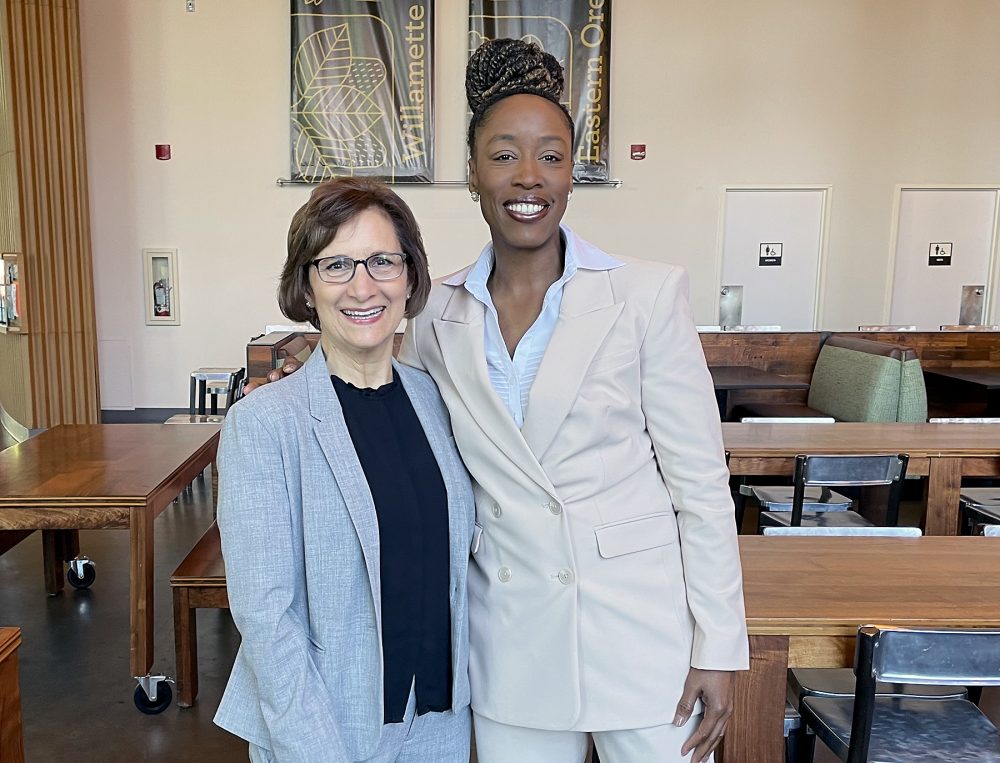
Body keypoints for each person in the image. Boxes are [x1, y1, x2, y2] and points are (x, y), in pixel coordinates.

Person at [256, 38, 748, 763]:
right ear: (472, 172)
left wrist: (719, 645)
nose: (529, 177)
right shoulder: (434, 313)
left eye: (551, 156)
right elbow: (380, 382)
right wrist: (303, 371)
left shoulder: (644, 295)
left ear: (573, 172)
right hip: (513, 643)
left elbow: (700, 486)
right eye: (504, 155)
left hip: (644, 640)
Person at [213, 177, 476, 763]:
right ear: (306, 286)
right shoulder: (265, 422)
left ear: (409, 277)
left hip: (439, 719)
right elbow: (265, 616)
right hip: (326, 720)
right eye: (336, 265)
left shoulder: (439, 401)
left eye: (383, 261)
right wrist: (313, 748)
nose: (363, 286)